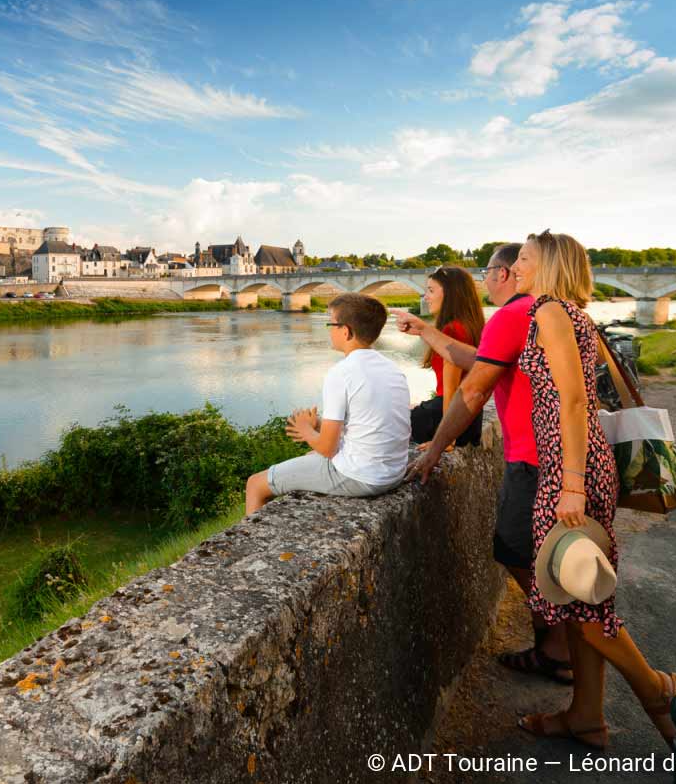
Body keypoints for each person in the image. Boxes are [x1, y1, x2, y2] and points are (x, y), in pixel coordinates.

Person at [511, 230, 676, 748]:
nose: (514, 266)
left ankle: (655, 689)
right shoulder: (574, 312)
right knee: (578, 592)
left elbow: (575, 401)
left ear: (550, 265)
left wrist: (572, 485)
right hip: (578, 464)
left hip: (570, 467)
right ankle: (586, 716)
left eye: (523, 258)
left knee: (583, 601)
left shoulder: (549, 311)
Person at [400, 245, 572, 684]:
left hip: (536, 458)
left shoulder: (516, 315)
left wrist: (436, 447)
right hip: (551, 456)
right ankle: (553, 647)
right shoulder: (553, 312)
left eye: (503, 267)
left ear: (512, 273)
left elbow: (472, 391)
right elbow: (478, 360)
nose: (497, 275)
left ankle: (570, 642)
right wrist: (425, 330)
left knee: (517, 551)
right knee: (541, 556)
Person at [245, 293, 410, 515]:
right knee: (309, 459)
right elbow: (368, 423)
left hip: (362, 477)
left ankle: (257, 548)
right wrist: (320, 424)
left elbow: (327, 448)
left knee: (255, 483)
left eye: (331, 323)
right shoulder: (392, 368)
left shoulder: (341, 373)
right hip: (393, 473)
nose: (329, 330)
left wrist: (304, 430)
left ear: (346, 331)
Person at [410, 266, 485, 448]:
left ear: (450, 294)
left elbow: (452, 390)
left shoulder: (452, 330)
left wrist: (446, 439)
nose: (425, 297)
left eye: (431, 290)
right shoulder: (472, 325)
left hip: (448, 419)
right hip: (470, 418)